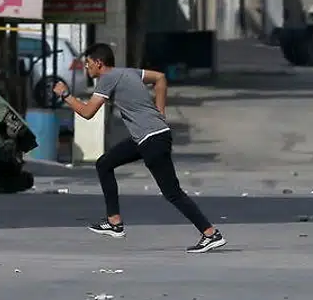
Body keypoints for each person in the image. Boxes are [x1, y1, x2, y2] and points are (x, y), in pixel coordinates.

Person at [53, 43, 226, 253]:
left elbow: (88, 112)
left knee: (172, 193)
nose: (87, 69)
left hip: (152, 139)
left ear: (99, 63)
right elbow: (160, 78)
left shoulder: (107, 79)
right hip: (148, 137)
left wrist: (65, 95)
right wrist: (160, 113)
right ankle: (114, 222)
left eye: (88, 64)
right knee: (104, 163)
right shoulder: (127, 72)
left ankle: (210, 233)